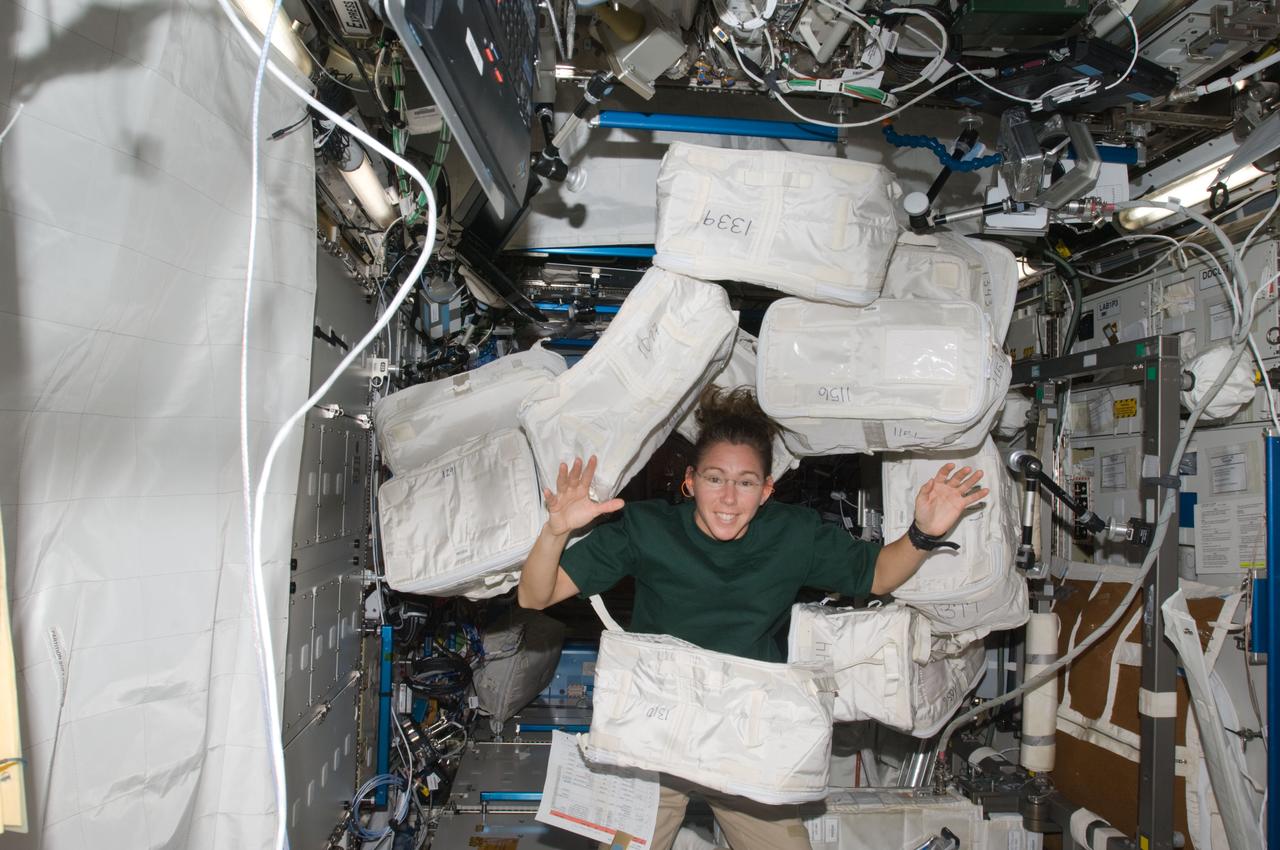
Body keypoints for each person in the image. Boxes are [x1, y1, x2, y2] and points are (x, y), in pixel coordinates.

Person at [518, 387, 988, 850]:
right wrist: (556, 531)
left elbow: (879, 574)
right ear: (691, 481)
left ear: (766, 490)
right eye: (714, 478)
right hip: (653, 727)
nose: (727, 498)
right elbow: (535, 595)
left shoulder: (794, 534)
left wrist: (924, 532)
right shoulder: (646, 527)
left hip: (747, 729)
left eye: (745, 482)